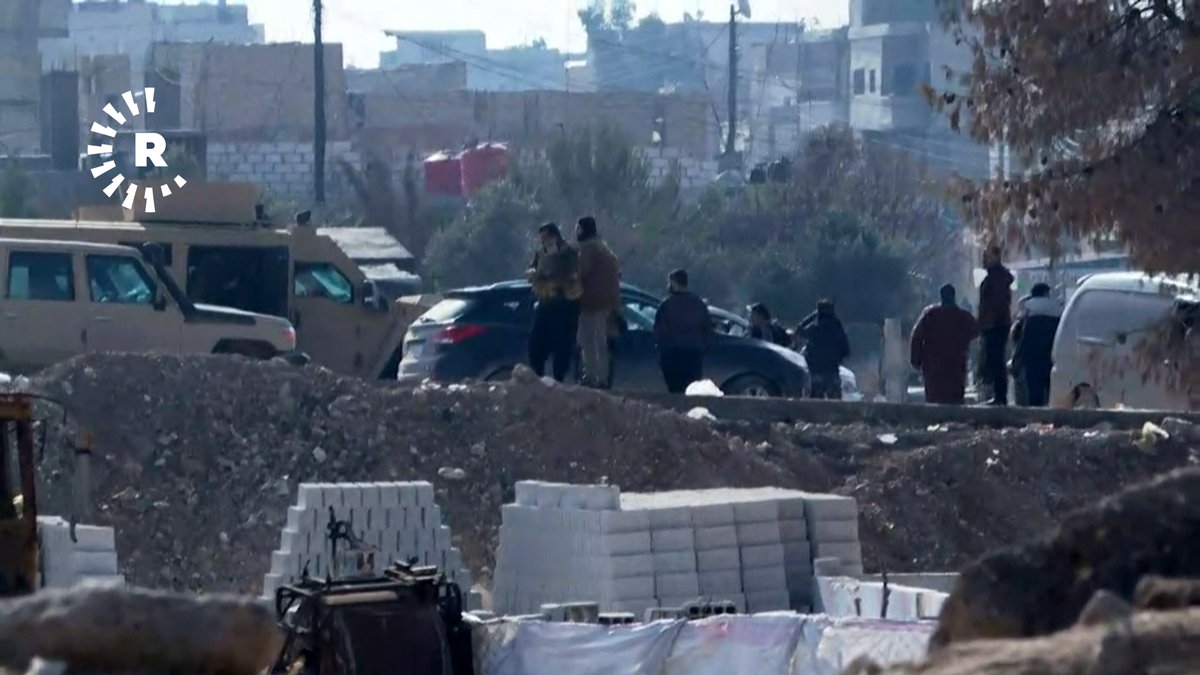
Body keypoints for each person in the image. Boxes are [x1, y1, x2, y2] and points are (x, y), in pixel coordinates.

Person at [525, 223, 581, 382]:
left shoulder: (569, 253)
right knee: (536, 344)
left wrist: (553, 275)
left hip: (565, 304)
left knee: (562, 345)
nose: (544, 243)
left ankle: (559, 379)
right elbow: (533, 268)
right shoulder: (541, 253)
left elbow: (574, 275)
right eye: (542, 240)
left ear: (555, 236)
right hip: (545, 302)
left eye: (547, 238)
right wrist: (534, 274)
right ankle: (537, 377)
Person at [911, 284, 981, 405]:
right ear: (954, 296)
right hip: (956, 365)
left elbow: (916, 337)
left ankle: (935, 422)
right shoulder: (963, 316)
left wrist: (916, 360)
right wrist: (963, 341)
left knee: (934, 401)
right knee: (955, 401)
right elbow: (976, 331)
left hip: (933, 367)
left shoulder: (930, 314)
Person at [575, 216, 622, 388]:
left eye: (578, 228)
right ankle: (601, 377)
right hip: (606, 303)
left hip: (593, 303)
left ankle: (593, 377)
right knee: (599, 341)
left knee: (589, 341)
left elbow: (581, 271)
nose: (576, 232)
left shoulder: (589, 248)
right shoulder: (604, 248)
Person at [653, 269, 713, 394]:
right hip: (694, 356)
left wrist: (662, 354)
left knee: (675, 392)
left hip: (673, 356)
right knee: (691, 392)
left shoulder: (667, 305)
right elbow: (707, 329)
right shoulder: (699, 304)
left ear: (674, 283)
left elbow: (660, 333)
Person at [1010, 282, 1062, 407]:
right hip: (1051, 354)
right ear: (1045, 293)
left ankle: (1036, 414)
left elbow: (1019, 337)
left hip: (1032, 355)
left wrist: (1016, 359)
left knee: (1034, 389)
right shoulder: (1057, 310)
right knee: (1050, 387)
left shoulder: (1027, 311)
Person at [978, 244, 1015, 405]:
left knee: (996, 360)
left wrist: (988, 323)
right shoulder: (995, 277)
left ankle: (1000, 396)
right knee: (994, 360)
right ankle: (998, 395)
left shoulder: (997, 278)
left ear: (996, 258)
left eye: (987, 256)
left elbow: (996, 304)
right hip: (995, 324)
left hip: (996, 325)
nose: (983, 260)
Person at [797, 299, 851, 400]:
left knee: (816, 406)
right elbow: (846, 350)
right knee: (836, 406)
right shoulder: (837, 328)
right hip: (832, 371)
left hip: (816, 372)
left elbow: (799, 330)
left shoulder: (815, 327)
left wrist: (813, 315)